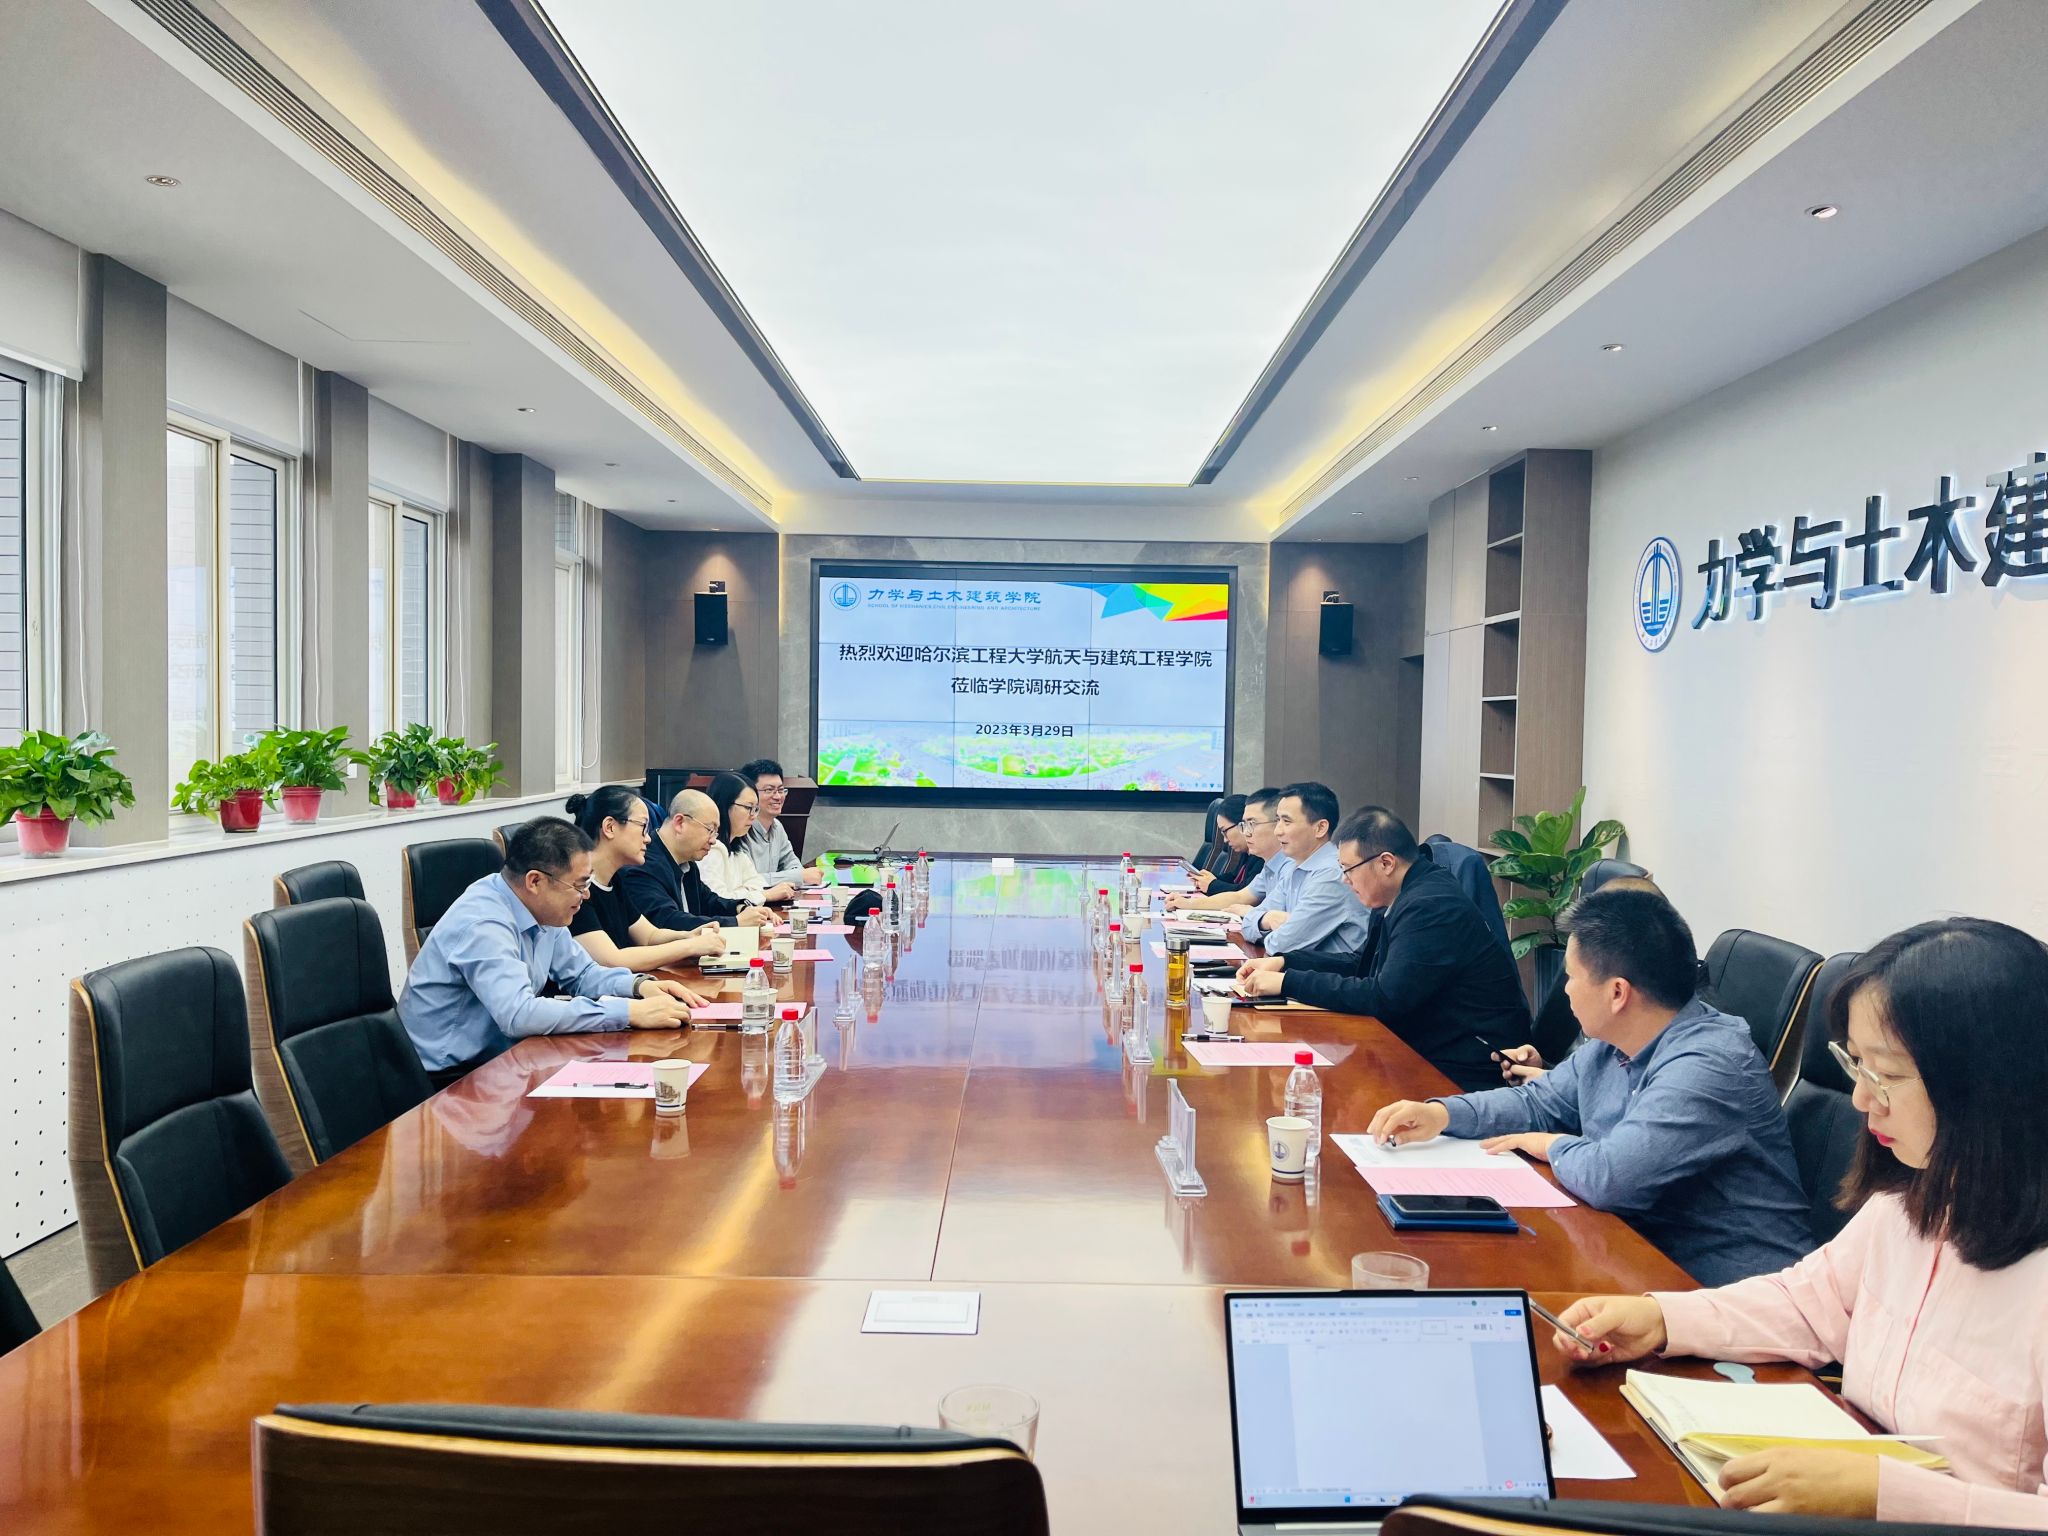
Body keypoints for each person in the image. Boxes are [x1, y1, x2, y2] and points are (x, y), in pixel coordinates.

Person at [1551, 917, 2048, 1524]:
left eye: (1886, 1074)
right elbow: (1808, 1304)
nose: (1861, 1099)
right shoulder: (1910, 1202)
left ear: (1993, 1084)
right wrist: (1661, 1319)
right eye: (1856, 1065)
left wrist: (1885, 1493)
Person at [1368, 885, 1809, 1284]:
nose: (1565, 991)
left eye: (1572, 977)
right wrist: (1443, 1113)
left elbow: (1611, 1177)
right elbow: (1538, 1102)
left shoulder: (1709, 1064)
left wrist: (1549, 1144)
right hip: (1631, 1254)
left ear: (1617, 993)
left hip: (1724, 1289)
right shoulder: (1612, 1042)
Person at [398, 819, 708, 1086]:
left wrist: (639, 987)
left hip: (506, 1061)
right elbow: (519, 1015)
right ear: (535, 881)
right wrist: (627, 1012)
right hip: (450, 1080)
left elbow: (582, 974)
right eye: (579, 885)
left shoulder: (543, 910)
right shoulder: (484, 922)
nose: (586, 895)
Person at [1238, 807, 1529, 1091]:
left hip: (1463, 1068)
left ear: (1386, 863)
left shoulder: (1431, 906)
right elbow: (1362, 964)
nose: (1345, 880)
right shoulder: (1400, 894)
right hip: (1423, 1046)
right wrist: (1285, 963)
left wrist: (1288, 982)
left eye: (1348, 869)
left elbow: (1384, 997)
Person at [563, 785, 727, 971]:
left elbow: (649, 936)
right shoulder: (577, 888)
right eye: (643, 827)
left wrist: (689, 936)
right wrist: (689, 947)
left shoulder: (615, 881)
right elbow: (613, 960)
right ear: (610, 827)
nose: (648, 838)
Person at [1238, 781, 1371, 957]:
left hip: (1326, 973)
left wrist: (1268, 927)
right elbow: (1247, 925)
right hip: (1293, 968)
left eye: (1286, 821)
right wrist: (1267, 919)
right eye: (1278, 820)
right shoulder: (1295, 867)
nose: (1277, 831)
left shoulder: (1332, 875)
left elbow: (1281, 945)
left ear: (1320, 828)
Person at [617, 789, 777, 934]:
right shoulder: (642, 866)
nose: (713, 840)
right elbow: (667, 921)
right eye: (710, 830)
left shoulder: (687, 863)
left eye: (715, 832)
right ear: (680, 823)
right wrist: (736, 922)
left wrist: (740, 908)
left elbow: (709, 901)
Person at [1166, 787, 1286, 914]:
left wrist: (1256, 916)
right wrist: (1187, 903)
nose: (1246, 833)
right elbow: (1240, 897)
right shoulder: (1270, 866)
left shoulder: (1291, 867)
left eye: (1252, 824)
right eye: (1244, 825)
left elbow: (1280, 921)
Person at [697, 771, 798, 906]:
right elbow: (719, 901)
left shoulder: (737, 850)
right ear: (724, 805)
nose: (753, 816)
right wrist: (761, 895)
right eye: (748, 808)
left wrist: (741, 892)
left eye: (756, 809)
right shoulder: (710, 850)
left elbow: (758, 884)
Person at [736, 757, 819, 885]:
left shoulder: (777, 826)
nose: (778, 797)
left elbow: (792, 864)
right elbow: (747, 881)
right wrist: (799, 877)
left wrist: (800, 875)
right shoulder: (740, 829)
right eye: (769, 790)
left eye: (781, 790)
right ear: (749, 793)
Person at [1189, 793, 1263, 896]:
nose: (1224, 840)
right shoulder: (1248, 852)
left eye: (1225, 831)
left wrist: (1212, 885)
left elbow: (1245, 893)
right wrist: (1208, 879)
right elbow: (1234, 877)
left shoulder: (1262, 856)